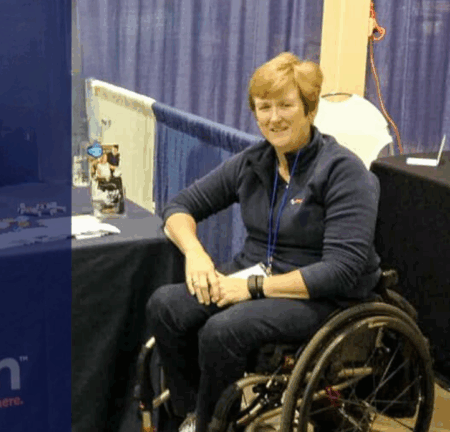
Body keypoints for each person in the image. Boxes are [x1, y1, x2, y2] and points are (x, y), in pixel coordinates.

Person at [145, 52, 381, 432]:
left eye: (286, 105)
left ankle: (212, 424)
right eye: (264, 107)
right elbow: (180, 206)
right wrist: (195, 254)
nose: (274, 118)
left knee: (223, 330)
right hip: (254, 276)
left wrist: (251, 288)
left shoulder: (343, 172)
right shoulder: (255, 162)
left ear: (310, 109)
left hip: (322, 296)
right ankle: (195, 415)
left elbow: (342, 269)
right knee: (166, 305)